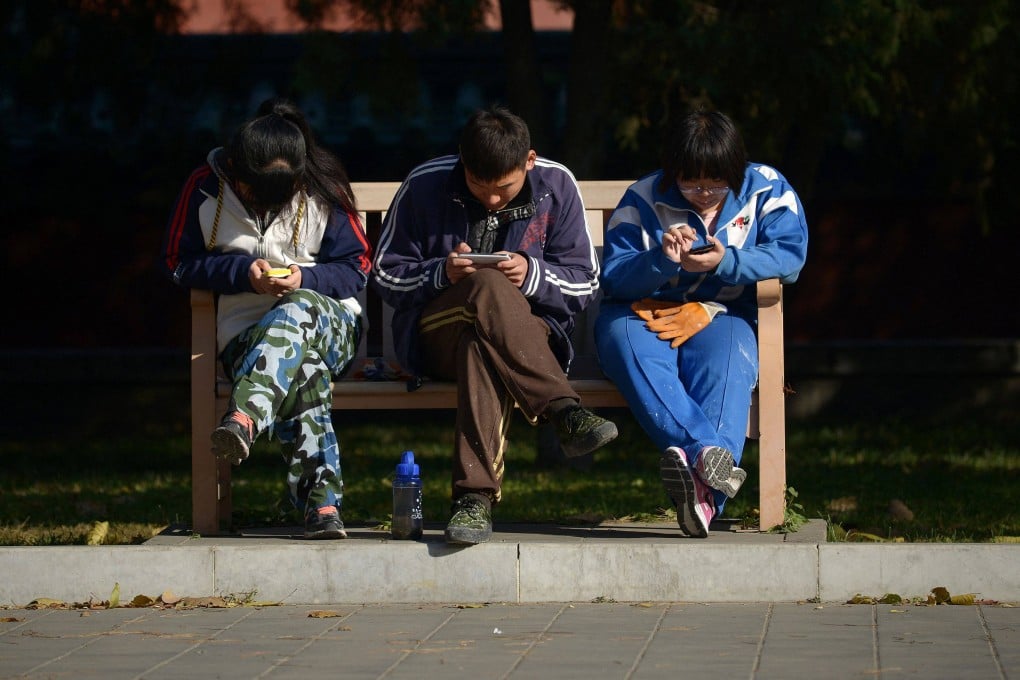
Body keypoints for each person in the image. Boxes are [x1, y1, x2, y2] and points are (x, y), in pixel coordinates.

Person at [371, 105, 618, 545]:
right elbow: (386, 274)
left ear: (529, 161)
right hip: (434, 334)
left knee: (479, 346)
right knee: (484, 288)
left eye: (503, 188)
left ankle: (474, 501)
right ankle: (563, 409)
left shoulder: (556, 184)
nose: (491, 199)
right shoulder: (425, 182)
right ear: (462, 162)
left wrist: (533, 273)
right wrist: (441, 273)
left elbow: (586, 284)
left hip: (526, 339)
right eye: (478, 187)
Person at [162, 97, 371, 539]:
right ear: (235, 170)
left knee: (298, 308)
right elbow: (178, 263)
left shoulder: (323, 188)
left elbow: (358, 268)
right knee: (305, 370)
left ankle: (244, 418)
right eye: (255, 191)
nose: (264, 201)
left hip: (331, 326)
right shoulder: (204, 188)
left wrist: (305, 277)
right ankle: (323, 507)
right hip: (246, 337)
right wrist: (243, 275)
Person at [594, 110, 808, 538]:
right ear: (673, 172)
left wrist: (727, 260)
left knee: (725, 366)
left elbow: (790, 256)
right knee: (624, 341)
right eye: (691, 183)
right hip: (643, 311)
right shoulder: (643, 197)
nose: (704, 194)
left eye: (716, 183)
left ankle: (702, 492)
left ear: (736, 170)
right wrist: (660, 258)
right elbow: (614, 275)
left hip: (724, 313)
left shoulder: (766, 187)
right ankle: (709, 467)